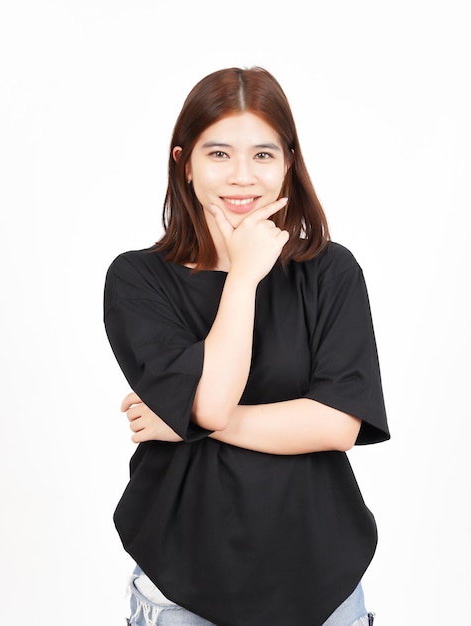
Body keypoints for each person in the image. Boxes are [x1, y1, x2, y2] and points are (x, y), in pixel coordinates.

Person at [103, 66, 390, 626]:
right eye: (218, 154)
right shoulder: (137, 280)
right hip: (184, 586)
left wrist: (185, 419)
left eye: (262, 155)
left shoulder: (330, 272)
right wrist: (242, 278)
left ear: (288, 163)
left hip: (323, 583)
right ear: (184, 163)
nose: (242, 177)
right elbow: (211, 400)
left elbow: (336, 426)